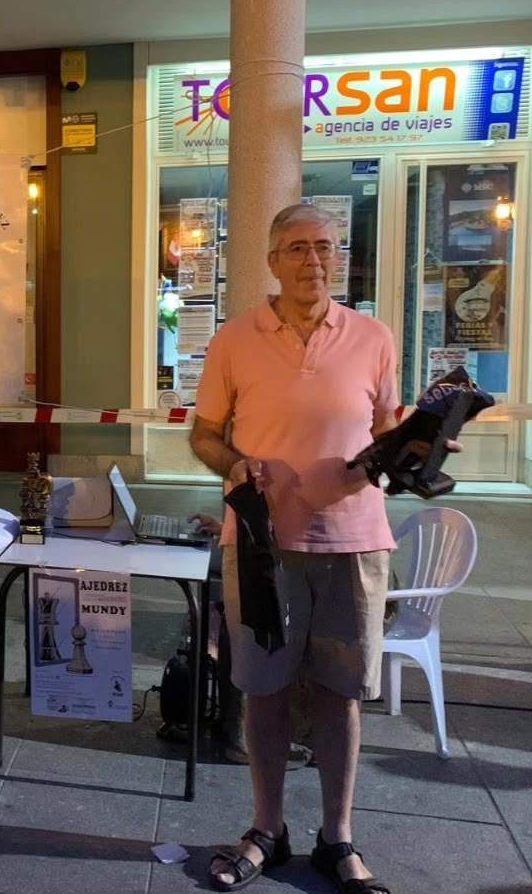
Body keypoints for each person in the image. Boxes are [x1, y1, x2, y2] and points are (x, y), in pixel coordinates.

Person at [191, 205, 397, 894]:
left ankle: (338, 839)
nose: (315, 260)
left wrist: (417, 449)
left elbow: (388, 435)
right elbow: (204, 434)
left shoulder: (374, 337)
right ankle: (267, 830)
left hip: (353, 542)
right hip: (262, 546)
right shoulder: (233, 340)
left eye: (326, 247)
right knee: (265, 690)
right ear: (274, 261)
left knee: (341, 695)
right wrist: (232, 464)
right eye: (300, 248)